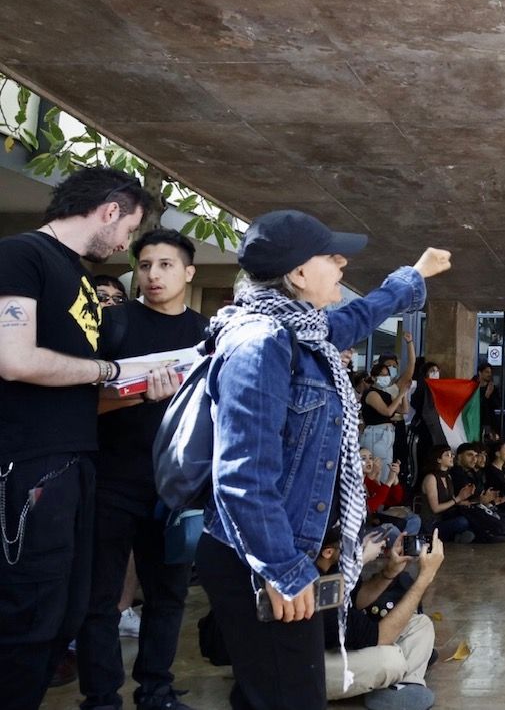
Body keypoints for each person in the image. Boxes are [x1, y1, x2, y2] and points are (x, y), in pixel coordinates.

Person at [194, 209, 450, 710]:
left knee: (280, 692)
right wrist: (283, 571)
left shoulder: (303, 332)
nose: (341, 262)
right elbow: (243, 476)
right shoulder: (261, 343)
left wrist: (414, 276)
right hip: (264, 560)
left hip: (289, 555)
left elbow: (360, 314)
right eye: (329, 256)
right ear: (297, 275)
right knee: (290, 695)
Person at [0, 167, 176, 710]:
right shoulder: (20, 255)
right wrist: (105, 371)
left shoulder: (76, 276)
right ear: (110, 210)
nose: (126, 245)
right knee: (26, 618)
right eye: (129, 231)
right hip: (30, 463)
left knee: (64, 614)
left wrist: (134, 383)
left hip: (77, 461)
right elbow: (14, 359)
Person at [79, 228, 209, 710]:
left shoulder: (205, 334)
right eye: (146, 265)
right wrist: (131, 393)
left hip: (176, 488)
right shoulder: (113, 325)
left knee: (168, 595)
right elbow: (79, 400)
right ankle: (101, 697)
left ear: (188, 272)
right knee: (100, 600)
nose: (153, 275)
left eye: (166, 265)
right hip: (112, 479)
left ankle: (156, 689)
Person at [321, 527, 444, 707]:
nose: (369, 545)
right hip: (310, 668)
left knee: (420, 624)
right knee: (391, 659)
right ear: (328, 552)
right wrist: (425, 578)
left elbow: (358, 600)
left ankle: (403, 686)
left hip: (335, 643)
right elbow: (381, 636)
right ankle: (408, 666)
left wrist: (390, 572)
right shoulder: (319, 588)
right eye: (356, 544)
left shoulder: (332, 567)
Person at [361, 334, 414, 483]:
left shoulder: (387, 392)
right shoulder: (371, 393)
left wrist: (403, 393)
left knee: (391, 470)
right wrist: (401, 393)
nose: (386, 376)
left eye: (389, 372)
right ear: (374, 377)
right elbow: (388, 411)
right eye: (382, 374)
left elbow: (404, 410)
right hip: (376, 434)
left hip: (388, 433)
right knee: (379, 473)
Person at [420, 445, 476, 544]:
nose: (452, 457)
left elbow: (449, 502)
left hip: (446, 518)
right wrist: (457, 499)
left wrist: (463, 500)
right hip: (432, 523)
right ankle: (456, 536)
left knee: (472, 515)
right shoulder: (431, 478)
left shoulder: (448, 477)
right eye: (447, 455)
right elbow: (435, 508)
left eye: (452, 455)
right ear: (438, 459)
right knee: (462, 522)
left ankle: (457, 536)